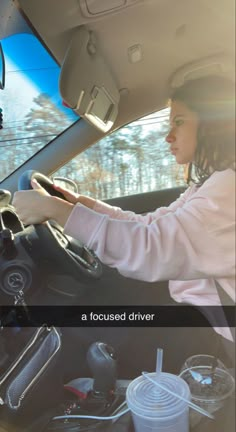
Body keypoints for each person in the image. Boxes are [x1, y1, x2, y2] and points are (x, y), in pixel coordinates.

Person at [12, 75, 235, 372]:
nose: (168, 135)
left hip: (217, 336)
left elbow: (152, 248)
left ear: (214, 122)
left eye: (179, 121)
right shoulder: (209, 185)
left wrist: (58, 212)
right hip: (201, 316)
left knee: (93, 329)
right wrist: (78, 203)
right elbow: (150, 224)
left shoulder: (228, 188)